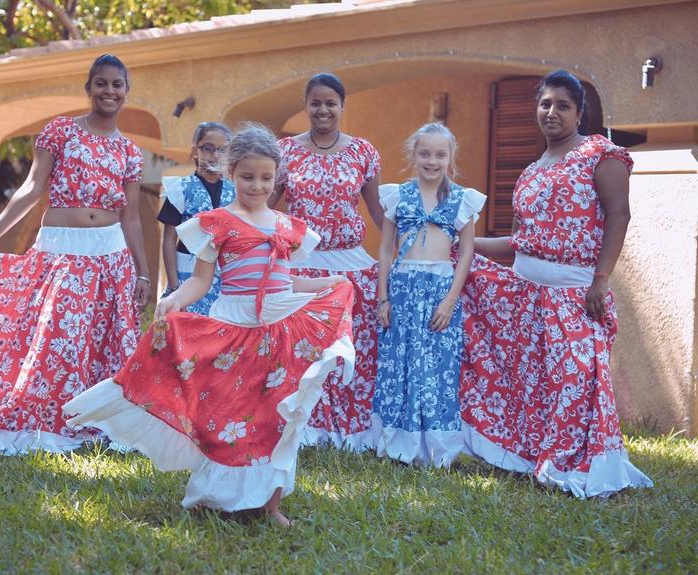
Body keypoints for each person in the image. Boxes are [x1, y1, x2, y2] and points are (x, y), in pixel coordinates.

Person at [63, 124, 355, 526]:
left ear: (277, 178)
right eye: (248, 177)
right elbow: (201, 280)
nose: (257, 186)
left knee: (275, 417)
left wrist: (329, 284)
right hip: (231, 325)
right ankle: (209, 493)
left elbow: (287, 281)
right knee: (225, 414)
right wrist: (173, 299)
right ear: (231, 173)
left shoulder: (287, 226)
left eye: (266, 178)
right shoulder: (216, 223)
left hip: (277, 330)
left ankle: (271, 502)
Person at [0, 54, 151, 454]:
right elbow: (31, 188)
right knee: (55, 340)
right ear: (88, 88)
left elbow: (132, 219)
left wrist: (143, 273)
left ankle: (91, 422)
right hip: (62, 248)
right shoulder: (60, 131)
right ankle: (35, 417)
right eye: (101, 83)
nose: (109, 91)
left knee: (100, 345)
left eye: (117, 85)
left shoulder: (129, 152)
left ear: (126, 92)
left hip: (110, 255)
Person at [459, 70, 653, 497]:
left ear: (579, 113)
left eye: (563, 105)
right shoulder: (531, 171)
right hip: (526, 293)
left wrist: (601, 279)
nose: (552, 112)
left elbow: (618, 216)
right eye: (545, 103)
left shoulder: (600, 154)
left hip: (574, 293)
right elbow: (523, 241)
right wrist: (467, 244)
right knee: (534, 382)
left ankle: (575, 462)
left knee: (576, 380)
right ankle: (530, 456)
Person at [271, 72, 383, 450]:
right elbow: (267, 207)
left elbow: (378, 211)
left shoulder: (363, 151)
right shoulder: (285, 151)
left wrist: (403, 254)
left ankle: (351, 432)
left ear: (342, 106)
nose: (322, 110)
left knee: (352, 349)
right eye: (315, 103)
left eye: (330, 103)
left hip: (352, 265)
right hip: (303, 264)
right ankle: (307, 428)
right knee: (305, 350)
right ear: (306, 106)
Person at [373, 123, 484, 467]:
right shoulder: (398, 195)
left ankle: (438, 447)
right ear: (413, 155)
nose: (432, 161)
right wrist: (383, 298)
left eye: (440, 154)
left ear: (450, 157)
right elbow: (386, 250)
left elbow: (465, 253)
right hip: (403, 289)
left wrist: (450, 300)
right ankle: (398, 444)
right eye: (425, 153)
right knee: (402, 364)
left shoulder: (462, 199)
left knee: (437, 367)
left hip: (440, 290)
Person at [158, 122, 235, 314]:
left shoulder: (235, 192)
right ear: (195, 151)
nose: (215, 155)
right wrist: (175, 285)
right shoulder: (181, 189)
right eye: (208, 148)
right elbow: (169, 239)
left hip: (225, 275)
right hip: (187, 271)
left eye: (222, 150)